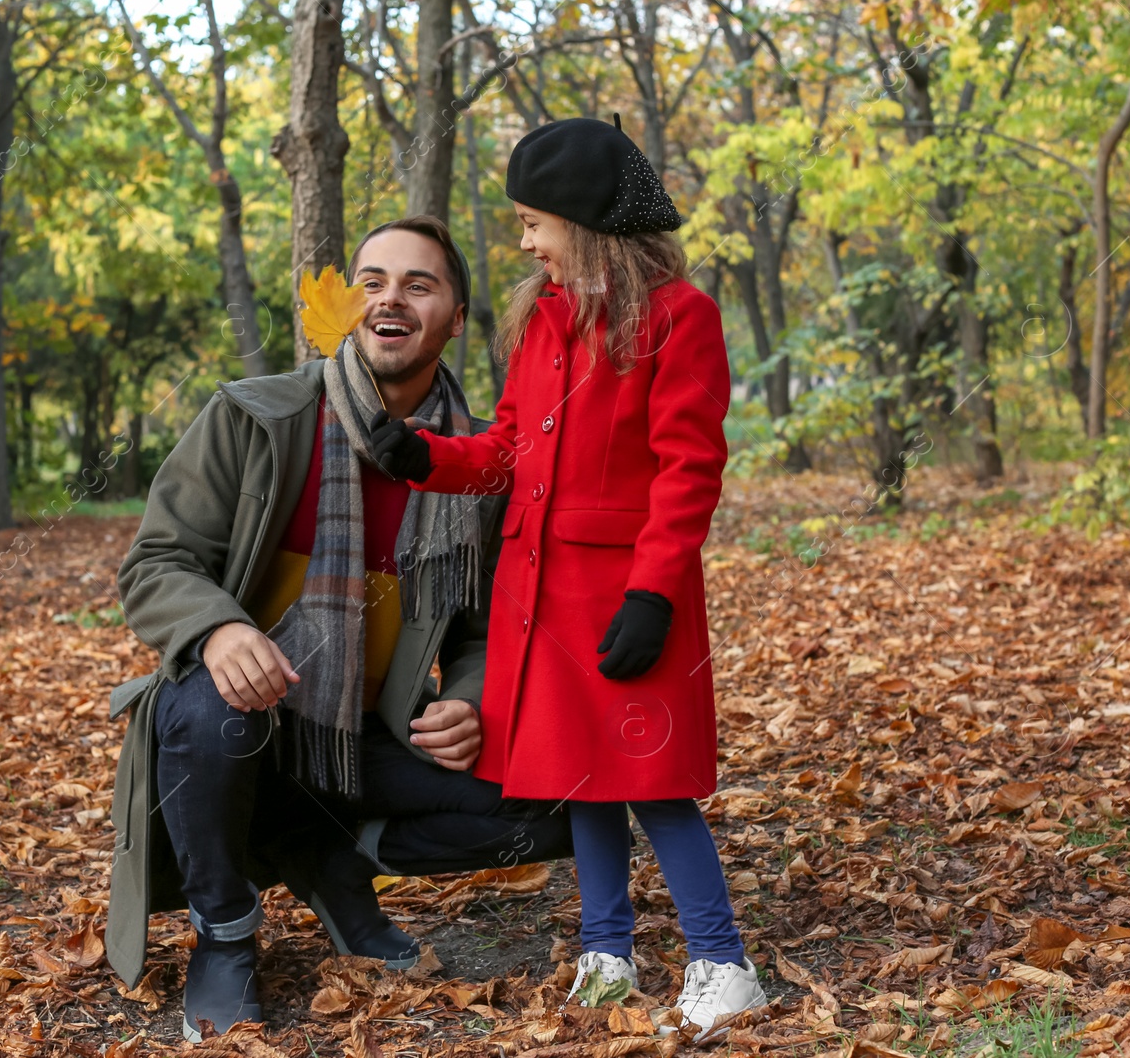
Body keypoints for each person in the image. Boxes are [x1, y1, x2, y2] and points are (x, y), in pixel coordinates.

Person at [106, 215, 574, 1043]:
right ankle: (224, 934)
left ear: (456, 319)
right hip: (232, 717)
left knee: (559, 804)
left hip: (361, 739)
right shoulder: (255, 421)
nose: (391, 298)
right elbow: (155, 563)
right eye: (373, 281)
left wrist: (466, 701)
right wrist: (218, 630)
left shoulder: (475, 462)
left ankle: (333, 856)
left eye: (419, 284)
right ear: (349, 307)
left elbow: (479, 628)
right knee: (219, 710)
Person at [368, 119, 766, 1038]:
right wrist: (424, 456)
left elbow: (688, 466)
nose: (522, 239)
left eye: (533, 220)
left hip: (627, 594)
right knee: (582, 778)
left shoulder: (678, 317)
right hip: (538, 591)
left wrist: (655, 592)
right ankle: (607, 951)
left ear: (583, 222)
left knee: (652, 776)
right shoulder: (544, 319)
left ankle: (720, 959)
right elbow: (508, 448)